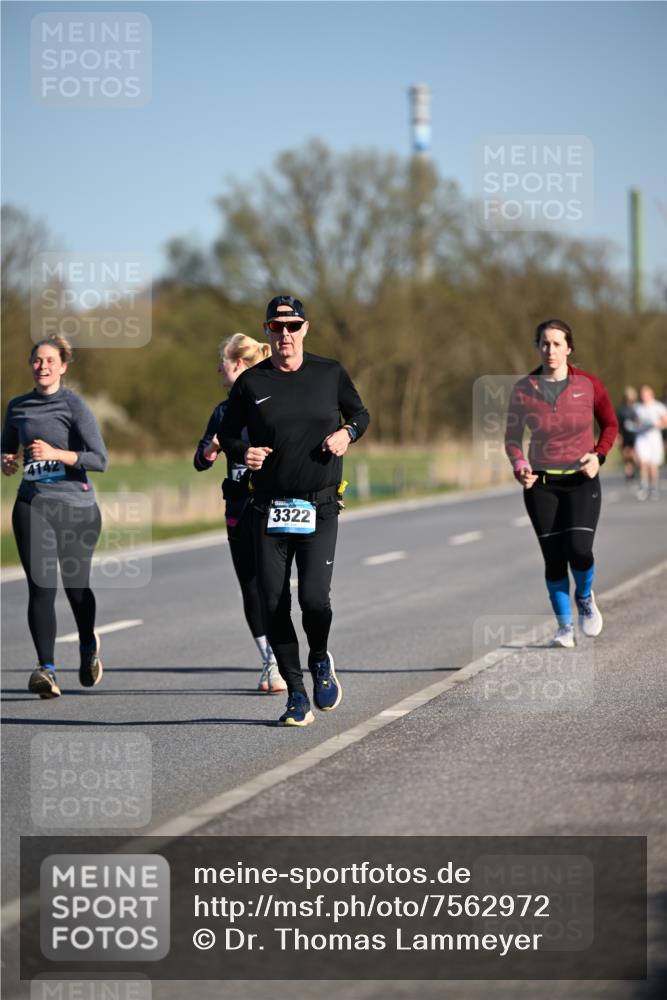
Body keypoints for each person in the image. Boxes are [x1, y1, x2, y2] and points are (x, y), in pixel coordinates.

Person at [219, 295, 370, 726]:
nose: (284, 334)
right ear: (267, 332)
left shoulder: (330, 372)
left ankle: (320, 658)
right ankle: (297, 694)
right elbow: (228, 434)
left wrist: (347, 433)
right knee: (273, 602)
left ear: (305, 328)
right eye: (276, 327)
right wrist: (244, 451)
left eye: (292, 325)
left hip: (319, 506)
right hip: (268, 507)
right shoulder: (251, 383)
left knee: (313, 600)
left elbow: (361, 413)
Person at [1, 336, 108, 697]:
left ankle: (87, 646)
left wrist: (57, 454)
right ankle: (45, 669)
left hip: (76, 509)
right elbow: (7, 449)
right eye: (37, 360)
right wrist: (7, 461)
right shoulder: (18, 408)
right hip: (33, 503)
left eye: (50, 360)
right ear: (30, 365)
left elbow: (99, 460)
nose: (42, 366)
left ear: (63, 366)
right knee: (41, 587)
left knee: (76, 589)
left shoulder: (74, 406)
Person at [504, 319, 618, 648]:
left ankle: (584, 596)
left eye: (556, 344)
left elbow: (610, 424)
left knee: (579, 550)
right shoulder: (525, 389)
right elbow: (512, 438)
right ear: (537, 347)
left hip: (581, 480)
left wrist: (599, 455)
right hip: (541, 484)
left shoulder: (589, 384)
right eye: (544, 344)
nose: (550, 350)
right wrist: (520, 465)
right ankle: (564, 627)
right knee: (554, 558)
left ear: (569, 348)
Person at [193, 333, 285, 693]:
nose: (218, 367)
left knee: (271, 588)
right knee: (249, 588)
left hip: (271, 508)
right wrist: (214, 448)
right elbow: (200, 461)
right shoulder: (221, 412)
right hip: (237, 511)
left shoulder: (269, 403)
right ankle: (268, 660)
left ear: (240, 365)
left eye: (223, 362)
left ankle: (283, 658)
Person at [632, 384, 667, 501]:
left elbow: (665, 422)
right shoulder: (638, 407)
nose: (644, 396)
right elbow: (635, 422)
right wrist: (637, 425)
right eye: (642, 394)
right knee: (642, 462)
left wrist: (657, 425)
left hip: (654, 438)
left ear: (651, 393)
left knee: (653, 464)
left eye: (646, 393)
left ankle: (654, 487)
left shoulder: (658, 406)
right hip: (642, 438)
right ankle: (644, 486)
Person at [616, 386, 639, 483]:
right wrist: (618, 436)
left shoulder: (638, 408)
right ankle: (629, 474)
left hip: (636, 436)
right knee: (626, 456)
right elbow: (617, 424)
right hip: (625, 435)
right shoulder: (621, 410)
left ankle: (637, 470)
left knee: (634, 455)